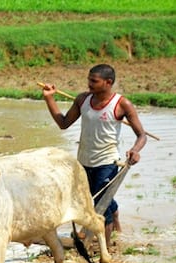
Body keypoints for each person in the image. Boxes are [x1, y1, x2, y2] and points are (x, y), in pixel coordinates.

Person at [41, 63, 147, 245]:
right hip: (83, 160)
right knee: (89, 199)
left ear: (108, 82)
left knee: (99, 207)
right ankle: (115, 214)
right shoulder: (83, 100)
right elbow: (63, 123)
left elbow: (141, 135)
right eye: (89, 80)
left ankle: (103, 250)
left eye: (94, 81)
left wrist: (135, 150)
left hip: (107, 161)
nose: (89, 84)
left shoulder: (121, 104)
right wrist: (49, 99)